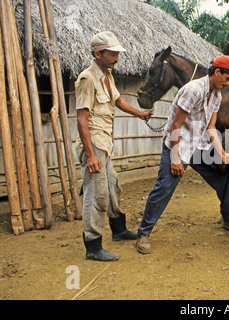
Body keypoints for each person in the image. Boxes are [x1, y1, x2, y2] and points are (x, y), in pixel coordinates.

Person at [136, 55, 229, 254]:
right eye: (228, 78)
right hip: (178, 144)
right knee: (164, 187)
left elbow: (212, 127)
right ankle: (144, 233)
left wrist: (222, 155)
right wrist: (175, 158)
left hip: (198, 144)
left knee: (225, 174)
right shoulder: (193, 90)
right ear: (217, 72)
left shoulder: (216, 94)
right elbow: (175, 125)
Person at [75, 31, 153, 261]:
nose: (117, 57)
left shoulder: (106, 74)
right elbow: (81, 119)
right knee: (96, 194)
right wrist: (90, 155)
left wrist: (139, 114)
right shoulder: (87, 79)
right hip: (94, 144)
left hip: (105, 142)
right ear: (98, 53)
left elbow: (117, 101)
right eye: (112, 53)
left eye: (117, 53)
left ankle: (118, 230)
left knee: (112, 188)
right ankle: (93, 245)